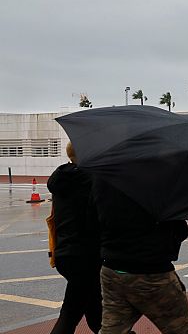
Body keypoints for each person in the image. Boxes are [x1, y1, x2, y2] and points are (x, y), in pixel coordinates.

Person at [92, 177, 188, 333]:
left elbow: (92, 220)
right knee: (179, 329)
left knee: (112, 330)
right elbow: (179, 230)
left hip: (112, 270)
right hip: (152, 273)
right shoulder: (159, 182)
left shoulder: (103, 178)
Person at [47, 142, 102, 334]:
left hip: (64, 253)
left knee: (95, 308)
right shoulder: (90, 179)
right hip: (85, 256)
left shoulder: (61, 178)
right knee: (70, 315)